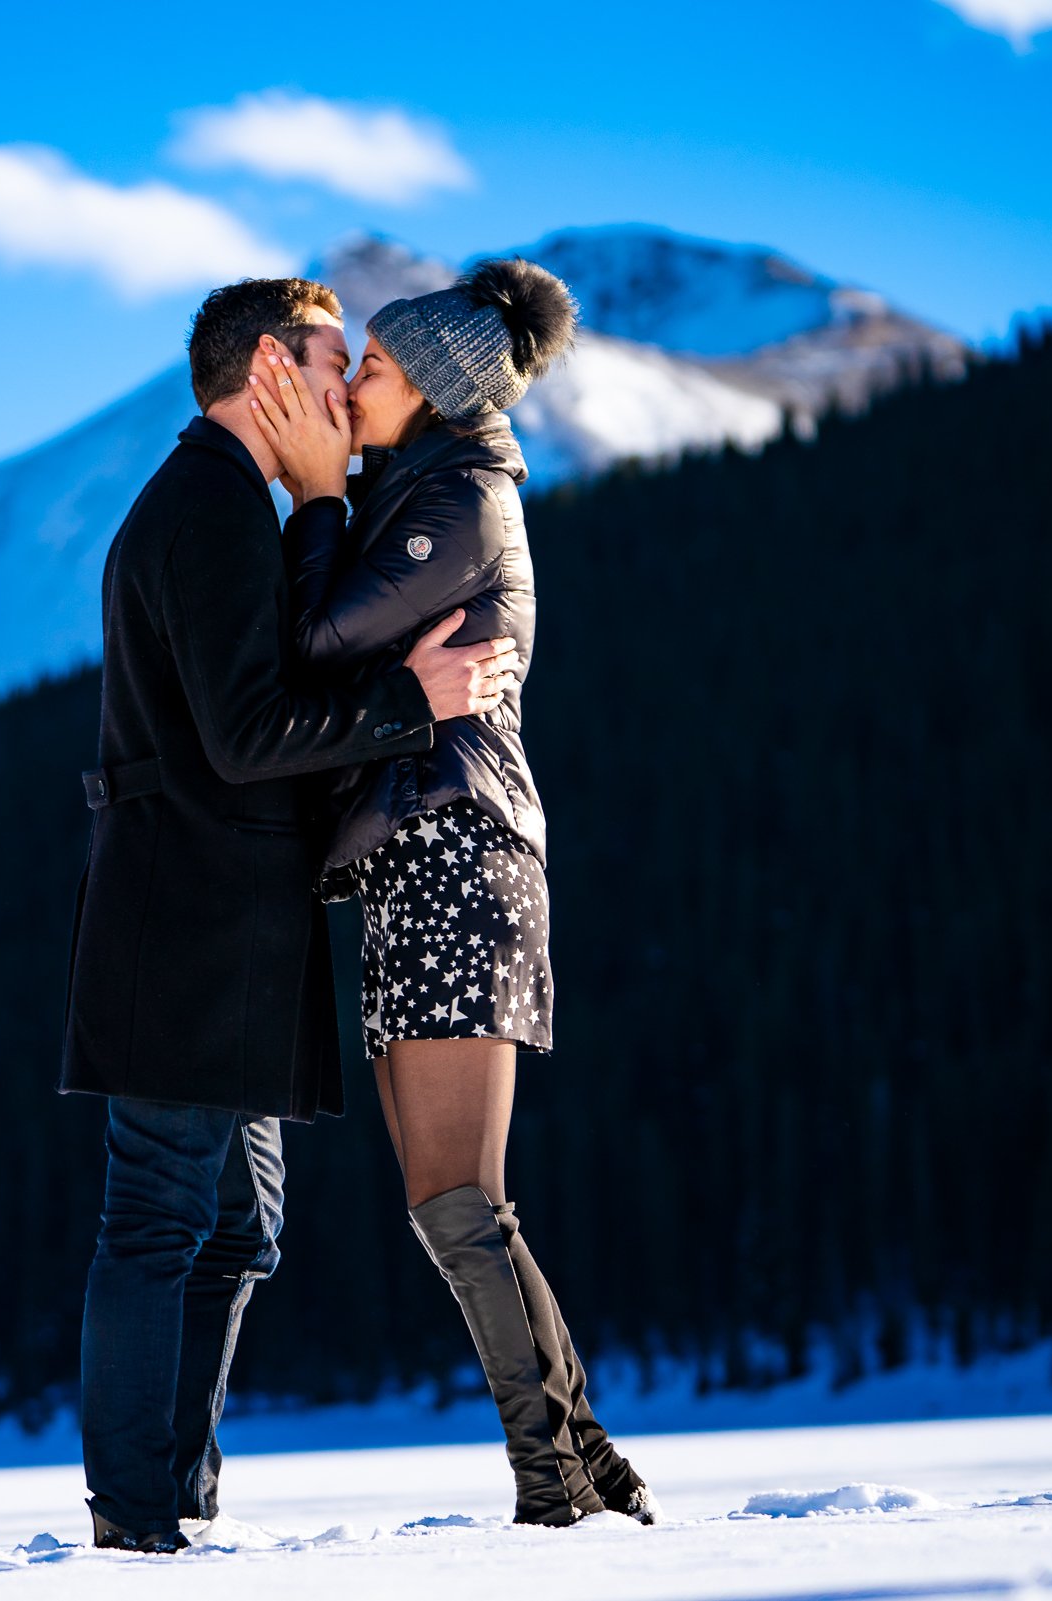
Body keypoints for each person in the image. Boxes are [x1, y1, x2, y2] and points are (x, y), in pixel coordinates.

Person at [60, 276, 523, 1552]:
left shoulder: (231, 504)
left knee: (241, 1229)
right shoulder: (206, 505)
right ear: (267, 367)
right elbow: (250, 730)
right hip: (187, 916)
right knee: (160, 1214)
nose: (340, 388)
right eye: (330, 359)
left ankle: (177, 1497)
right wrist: (411, 709)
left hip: (233, 923)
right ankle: (136, 1516)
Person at [246, 259, 660, 1527]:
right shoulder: (423, 488)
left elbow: (318, 643)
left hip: (456, 855)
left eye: (370, 366)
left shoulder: (460, 505)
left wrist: (314, 495)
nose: (353, 383)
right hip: (423, 858)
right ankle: (586, 1462)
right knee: (457, 1202)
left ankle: (556, 1483)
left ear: (427, 386)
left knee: (454, 1199)